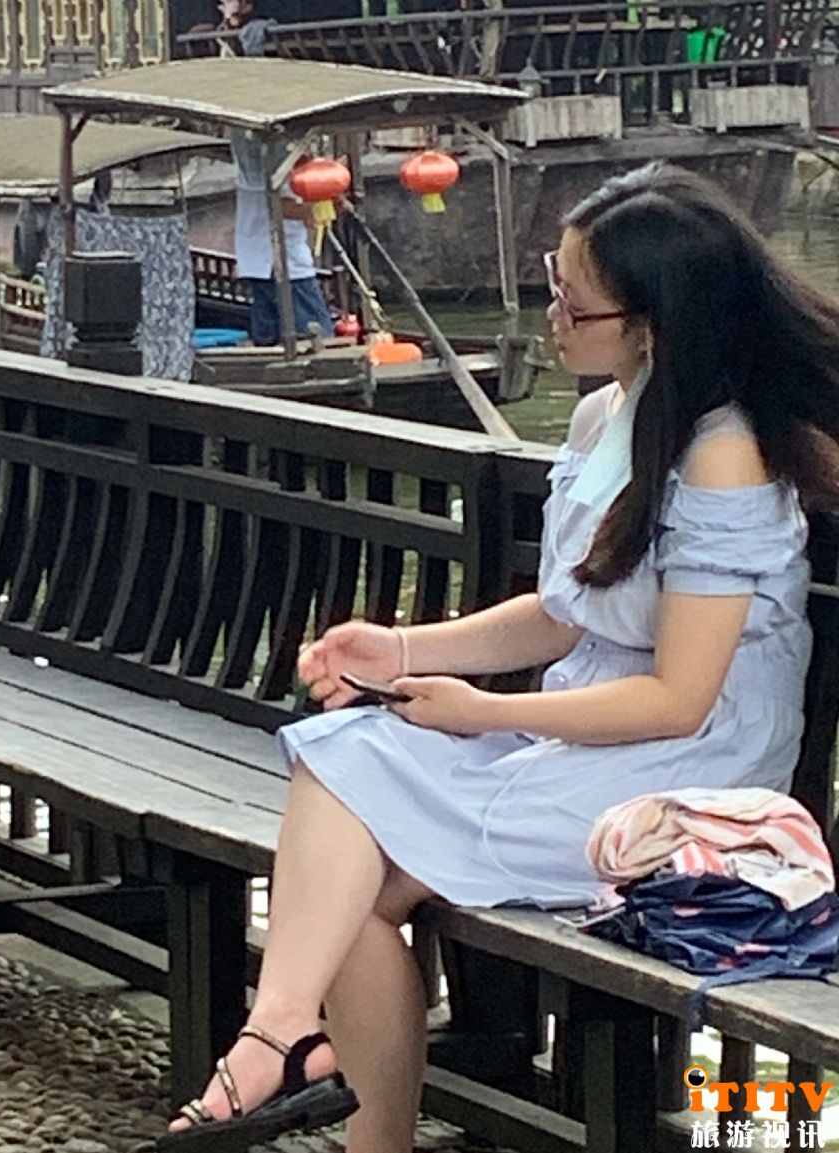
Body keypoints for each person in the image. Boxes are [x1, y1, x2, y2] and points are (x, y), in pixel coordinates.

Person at [160, 160, 839, 1153]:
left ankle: (286, 1045)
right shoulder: (607, 417)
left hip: (686, 776)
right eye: (556, 284)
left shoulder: (723, 455)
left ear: (649, 327)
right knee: (347, 826)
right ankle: (290, 1036)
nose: (551, 314)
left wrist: (484, 710)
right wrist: (398, 645)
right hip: (591, 734)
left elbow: (681, 698)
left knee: (348, 846)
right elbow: (566, 615)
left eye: (573, 302)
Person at [215, 0, 335, 347]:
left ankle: (268, 352)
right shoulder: (273, 155)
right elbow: (279, 207)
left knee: (268, 330)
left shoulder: (255, 148)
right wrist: (316, 210)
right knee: (313, 329)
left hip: (260, 256)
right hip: (282, 262)